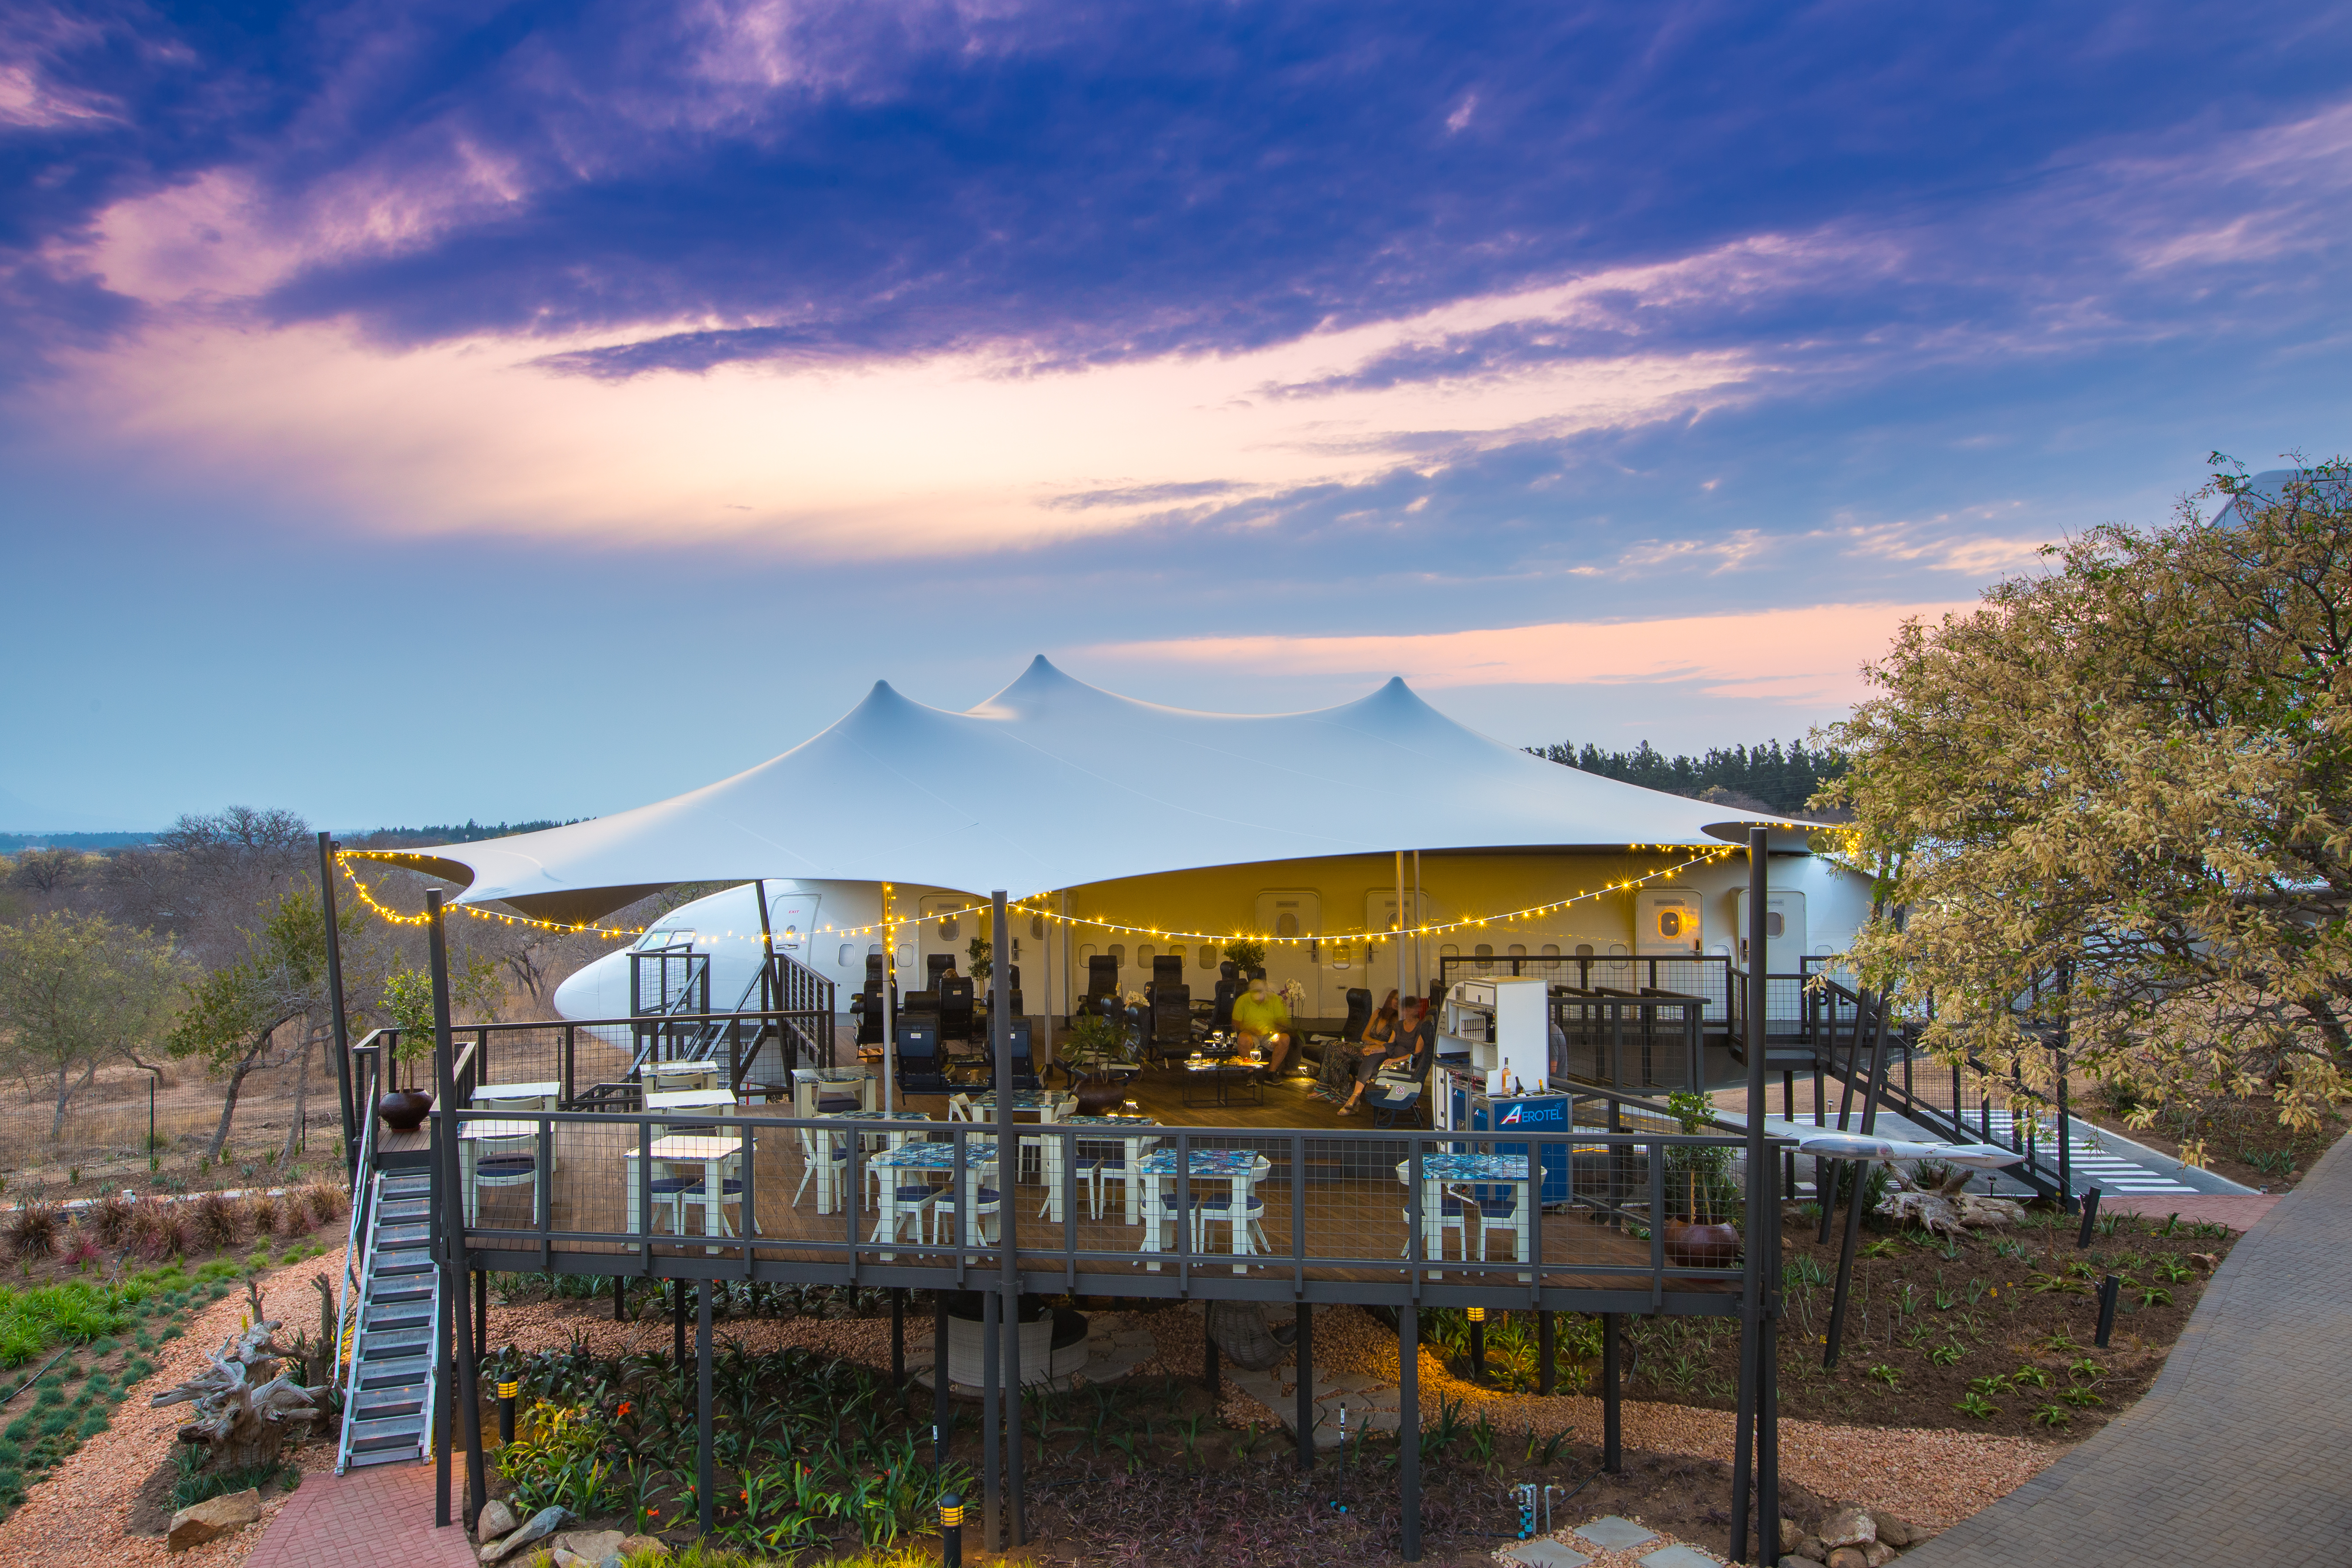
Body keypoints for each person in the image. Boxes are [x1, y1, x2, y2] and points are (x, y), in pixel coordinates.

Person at [1339, 993, 1432, 1115]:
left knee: (1375, 1063)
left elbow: (1416, 1053)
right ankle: (1355, 1097)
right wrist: (1374, 1050)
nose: (1403, 1011)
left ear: (1413, 1010)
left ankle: (1355, 1099)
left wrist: (1396, 1060)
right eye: (1403, 1009)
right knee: (1370, 1058)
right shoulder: (1399, 1025)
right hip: (1392, 1056)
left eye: (1406, 1009)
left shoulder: (1420, 1027)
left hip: (1404, 1062)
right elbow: (1390, 1045)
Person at [1229, 975, 1294, 1074]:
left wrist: (1281, 1027)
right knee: (1243, 1039)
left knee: (1285, 1039)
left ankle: (1272, 1072)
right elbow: (1235, 1024)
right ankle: (1250, 1072)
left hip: (1269, 1035)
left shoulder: (1274, 1000)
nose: (1260, 996)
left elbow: (1281, 1021)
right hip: (1250, 1034)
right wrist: (1250, 1029)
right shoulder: (1243, 1001)